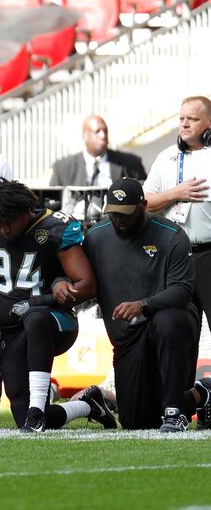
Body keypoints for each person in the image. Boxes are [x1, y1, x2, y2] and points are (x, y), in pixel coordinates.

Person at [0, 180, 112, 433]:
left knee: (35, 317)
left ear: (27, 211)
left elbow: (87, 285)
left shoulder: (54, 227)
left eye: (9, 221)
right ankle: (88, 405)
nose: (3, 228)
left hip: (55, 320)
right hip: (12, 329)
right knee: (20, 413)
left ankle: (37, 409)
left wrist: (45, 297)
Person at [86, 178, 211, 431]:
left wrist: (143, 304)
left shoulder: (172, 235)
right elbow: (77, 275)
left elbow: (183, 290)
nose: (119, 220)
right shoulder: (95, 237)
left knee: (167, 319)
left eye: (126, 214)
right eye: (114, 214)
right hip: (127, 337)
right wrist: (61, 284)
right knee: (137, 422)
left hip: (169, 326)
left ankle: (175, 412)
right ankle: (202, 394)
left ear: (144, 205)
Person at [143, 96, 211, 337]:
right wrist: (176, 193)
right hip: (175, 257)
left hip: (208, 254)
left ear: (209, 123)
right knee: (180, 331)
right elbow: (145, 203)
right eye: (181, 118)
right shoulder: (166, 157)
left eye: (192, 119)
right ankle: (182, 377)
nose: (184, 124)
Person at [50, 114, 148, 188]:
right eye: (97, 132)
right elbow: (53, 203)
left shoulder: (131, 164)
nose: (103, 136)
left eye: (105, 131)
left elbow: (145, 196)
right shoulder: (63, 168)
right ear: (84, 136)